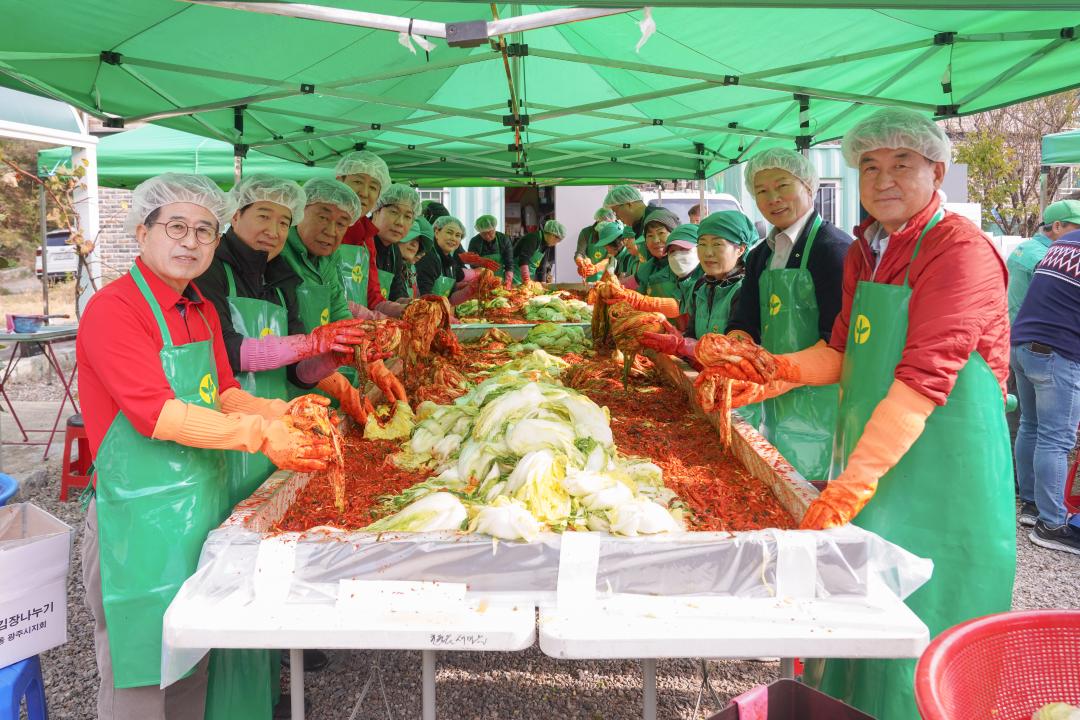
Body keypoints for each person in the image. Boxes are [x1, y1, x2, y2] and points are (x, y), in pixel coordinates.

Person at [692, 108, 1015, 718]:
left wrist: (850, 484)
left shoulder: (958, 251)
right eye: (870, 165)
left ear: (937, 170)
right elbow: (840, 351)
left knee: (925, 624)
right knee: (857, 614)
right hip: (878, 451)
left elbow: (923, 381)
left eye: (902, 165)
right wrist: (767, 376)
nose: (884, 178)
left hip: (949, 473)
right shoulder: (867, 251)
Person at [77, 173, 334, 720]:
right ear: (141, 233)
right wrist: (264, 435)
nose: (190, 242)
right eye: (175, 227)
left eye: (204, 231)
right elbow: (158, 414)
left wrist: (284, 411)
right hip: (137, 521)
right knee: (142, 677)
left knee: (193, 663)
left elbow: (224, 393)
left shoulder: (201, 308)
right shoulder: (114, 309)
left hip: (198, 510)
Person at [725, 147, 851, 482]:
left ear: (809, 187)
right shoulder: (759, 256)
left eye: (782, 186)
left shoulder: (833, 251)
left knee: (814, 493)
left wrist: (772, 378)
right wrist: (733, 351)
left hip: (824, 407)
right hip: (773, 404)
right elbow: (744, 321)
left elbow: (838, 342)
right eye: (762, 191)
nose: (772, 199)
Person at [267, 177, 406, 405]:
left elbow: (340, 311)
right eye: (323, 217)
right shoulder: (278, 253)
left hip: (317, 371)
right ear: (300, 211)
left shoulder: (329, 257)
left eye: (341, 223)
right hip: (277, 381)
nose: (331, 231)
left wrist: (372, 363)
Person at [1011, 221, 1080, 552]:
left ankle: (1032, 506)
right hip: (1057, 352)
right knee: (1056, 438)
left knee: (1032, 426)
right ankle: (1052, 525)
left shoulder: (1063, 244)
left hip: (1023, 345)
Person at [638, 211, 755, 355]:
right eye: (702, 244)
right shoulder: (701, 288)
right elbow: (692, 334)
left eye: (717, 244)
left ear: (741, 249)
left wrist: (682, 345)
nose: (708, 253)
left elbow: (735, 352)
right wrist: (677, 337)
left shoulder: (744, 291)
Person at [334, 150, 398, 319]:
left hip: (358, 334)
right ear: (340, 180)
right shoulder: (323, 228)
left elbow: (373, 297)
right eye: (358, 182)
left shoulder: (367, 237)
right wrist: (371, 317)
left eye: (373, 187)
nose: (364, 192)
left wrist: (403, 311)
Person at [1008, 200, 1080, 323]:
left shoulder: (1026, 247)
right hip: (1035, 336)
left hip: (1016, 329)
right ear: (1057, 226)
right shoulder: (1049, 258)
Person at [371, 182, 422, 312]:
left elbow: (397, 295)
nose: (400, 222)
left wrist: (418, 305)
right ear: (376, 211)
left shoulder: (394, 252)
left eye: (407, 217)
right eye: (394, 212)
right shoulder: (360, 244)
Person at [631, 207, 683, 297]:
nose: (656, 240)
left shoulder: (685, 265)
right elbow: (631, 285)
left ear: (674, 234)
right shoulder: (649, 267)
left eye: (661, 233)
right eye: (650, 235)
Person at [466, 214, 515, 290]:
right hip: (482, 280)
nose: (487, 236)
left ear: (494, 228)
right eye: (484, 234)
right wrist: (483, 275)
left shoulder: (504, 239)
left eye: (490, 232)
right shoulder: (474, 242)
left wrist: (508, 281)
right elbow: (472, 263)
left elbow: (509, 262)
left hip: (500, 280)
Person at [603, 185, 672, 237]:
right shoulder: (641, 223)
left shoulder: (655, 219)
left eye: (616, 212)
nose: (617, 218)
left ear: (628, 204)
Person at [513, 219, 565, 284]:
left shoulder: (546, 244)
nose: (555, 243)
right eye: (557, 240)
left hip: (526, 280)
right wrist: (526, 279)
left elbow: (542, 267)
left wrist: (543, 283)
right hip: (514, 277)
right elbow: (523, 259)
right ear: (552, 234)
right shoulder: (533, 238)